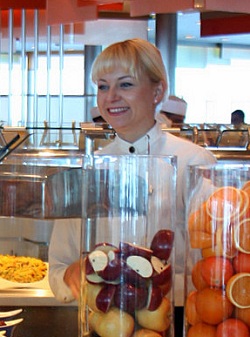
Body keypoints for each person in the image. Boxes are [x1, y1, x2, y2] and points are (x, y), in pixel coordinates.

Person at [48, 38, 216, 334]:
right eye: (102, 86)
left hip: (176, 322)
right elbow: (60, 266)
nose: (111, 97)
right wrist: (73, 275)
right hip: (105, 323)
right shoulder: (89, 169)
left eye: (125, 85)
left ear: (158, 91)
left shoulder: (193, 161)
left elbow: (212, 269)